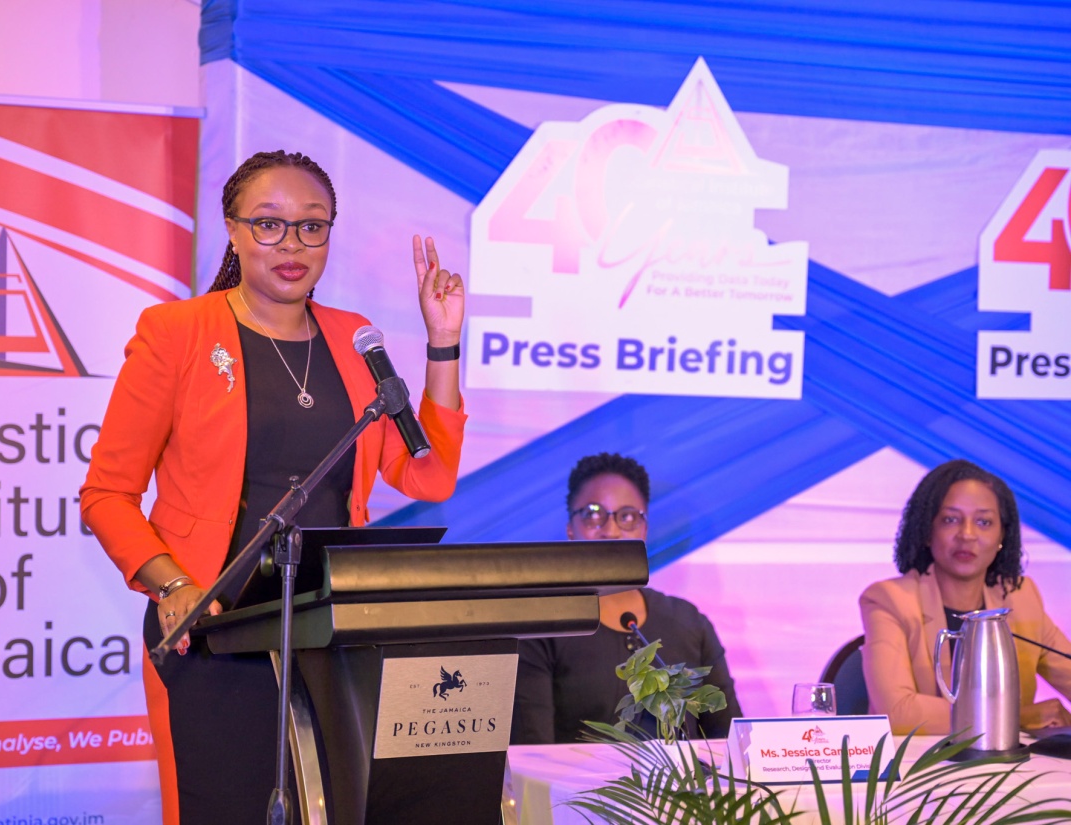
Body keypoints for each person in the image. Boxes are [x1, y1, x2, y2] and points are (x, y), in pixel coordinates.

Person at [80, 150, 466, 825]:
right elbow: (107, 494)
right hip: (213, 630)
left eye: (312, 226)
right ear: (232, 230)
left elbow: (427, 473)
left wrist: (442, 343)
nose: (292, 244)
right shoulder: (178, 333)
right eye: (269, 224)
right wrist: (172, 585)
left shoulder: (354, 339)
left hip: (331, 631)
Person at [510, 453, 742, 744]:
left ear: (644, 530)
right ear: (571, 528)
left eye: (628, 516)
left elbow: (730, 741)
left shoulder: (688, 623)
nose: (610, 530)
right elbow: (531, 753)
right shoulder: (542, 627)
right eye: (593, 514)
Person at [860, 458, 1071, 735]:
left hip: (1009, 770)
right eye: (951, 519)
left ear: (1001, 536)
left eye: (984, 522)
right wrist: (1012, 716)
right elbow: (898, 712)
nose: (967, 535)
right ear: (927, 530)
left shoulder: (1020, 596)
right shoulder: (889, 600)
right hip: (922, 769)